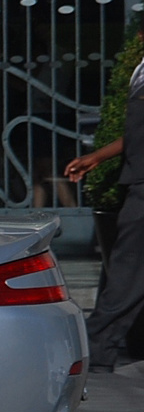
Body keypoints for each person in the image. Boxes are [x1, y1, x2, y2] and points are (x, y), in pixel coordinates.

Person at [65, 33, 144, 372]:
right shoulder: (140, 71)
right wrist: (98, 157)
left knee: (126, 273)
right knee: (126, 273)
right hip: (138, 180)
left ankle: (98, 353)